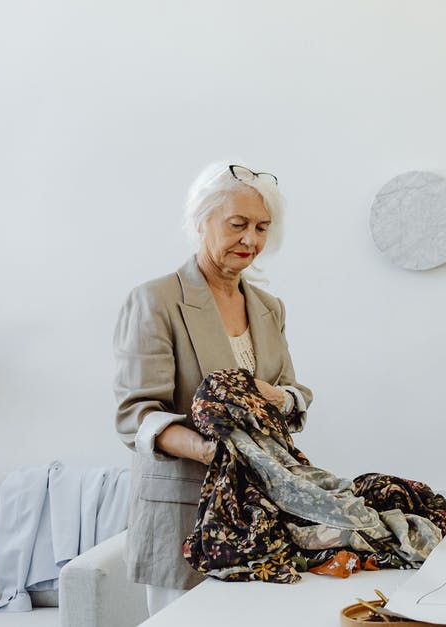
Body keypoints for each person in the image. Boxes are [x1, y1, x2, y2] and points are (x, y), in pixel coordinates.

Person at [114, 161, 312, 614]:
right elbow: (136, 417)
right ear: (201, 220)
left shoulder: (268, 307)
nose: (251, 240)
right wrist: (216, 453)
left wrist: (280, 398)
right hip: (183, 515)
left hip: (259, 514)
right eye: (238, 224)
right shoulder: (156, 300)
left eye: (262, 227)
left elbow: (293, 394)